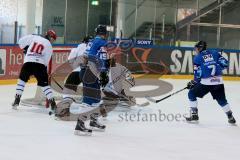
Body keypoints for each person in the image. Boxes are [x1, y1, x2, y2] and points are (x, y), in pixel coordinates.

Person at [185, 41, 236, 124]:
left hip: (206, 83)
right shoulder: (215, 53)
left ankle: (194, 114)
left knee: (191, 93)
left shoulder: (197, 58)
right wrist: (217, 66)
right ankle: (230, 116)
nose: (196, 50)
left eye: (197, 48)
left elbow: (198, 74)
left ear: (200, 48)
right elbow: (225, 64)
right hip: (218, 81)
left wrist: (194, 82)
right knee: (222, 100)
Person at [74, 25, 110, 135]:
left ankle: (93, 121)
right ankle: (79, 125)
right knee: (88, 101)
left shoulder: (94, 43)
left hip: (89, 72)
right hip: (90, 73)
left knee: (96, 99)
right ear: (105, 34)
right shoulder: (99, 42)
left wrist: (102, 73)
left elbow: (90, 58)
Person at [12, 30, 57, 114]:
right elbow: (46, 60)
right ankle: (53, 104)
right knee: (45, 85)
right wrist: (44, 71)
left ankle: (16, 100)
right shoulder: (49, 45)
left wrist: (25, 48)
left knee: (21, 81)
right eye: (53, 39)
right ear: (50, 37)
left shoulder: (34, 37)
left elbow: (20, 42)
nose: (53, 41)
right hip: (40, 65)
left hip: (28, 62)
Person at [62, 36, 93, 101]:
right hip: (91, 72)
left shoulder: (78, 47)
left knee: (67, 87)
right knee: (89, 87)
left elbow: (70, 59)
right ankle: (86, 99)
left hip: (78, 71)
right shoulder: (94, 47)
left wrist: (74, 67)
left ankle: (66, 99)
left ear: (83, 41)